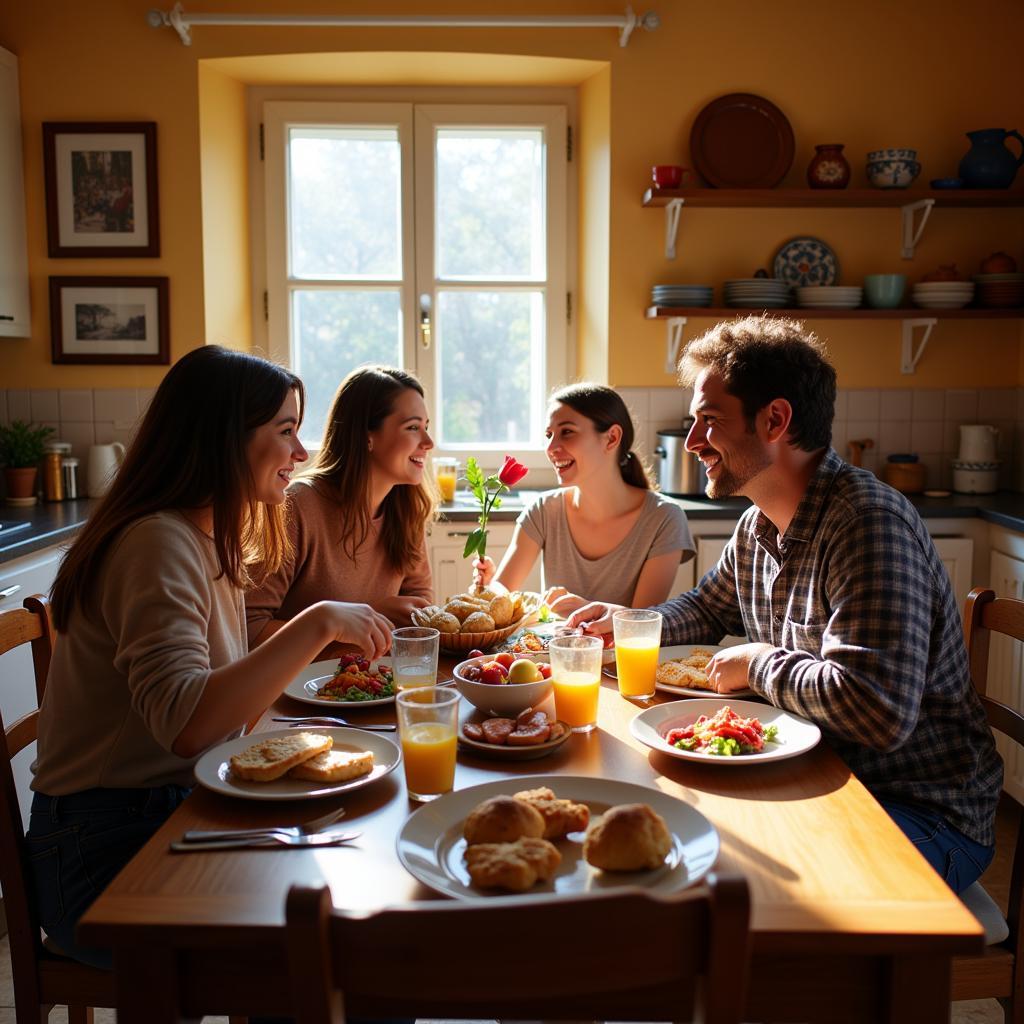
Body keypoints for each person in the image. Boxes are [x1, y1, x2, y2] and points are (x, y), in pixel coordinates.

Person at [567, 316, 1002, 893]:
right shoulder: (757, 525)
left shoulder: (866, 523)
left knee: (733, 879)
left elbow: (877, 709)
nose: (693, 441)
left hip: (920, 812)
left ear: (775, 420)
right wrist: (627, 623)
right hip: (819, 776)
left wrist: (756, 663)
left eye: (710, 421)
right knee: (685, 840)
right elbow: (704, 608)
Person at [26, 346, 393, 970]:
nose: (301, 455)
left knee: (353, 901)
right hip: (103, 850)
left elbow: (223, 706)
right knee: (343, 958)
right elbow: (188, 727)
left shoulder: (205, 534)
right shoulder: (156, 543)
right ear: (225, 439)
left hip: (172, 811)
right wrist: (316, 622)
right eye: (286, 432)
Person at [245, 366, 437, 647]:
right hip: (300, 688)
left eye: (426, 428)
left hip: (373, 683)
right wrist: (355, 625)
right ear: (367, 436)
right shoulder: (296, 506)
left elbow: (421, 610)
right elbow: (249, 629)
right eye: (412, 428)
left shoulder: (406, 509)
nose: (429, 443)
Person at [473, 382, 694, 616]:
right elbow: (503, 589)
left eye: (566, 432)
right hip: (555, 652)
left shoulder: (664, 518)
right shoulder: (543, 511)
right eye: (549, 435)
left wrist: (585, 609)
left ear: (611, 438)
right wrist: (488, 590)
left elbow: (641, 623)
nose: (551, 447)